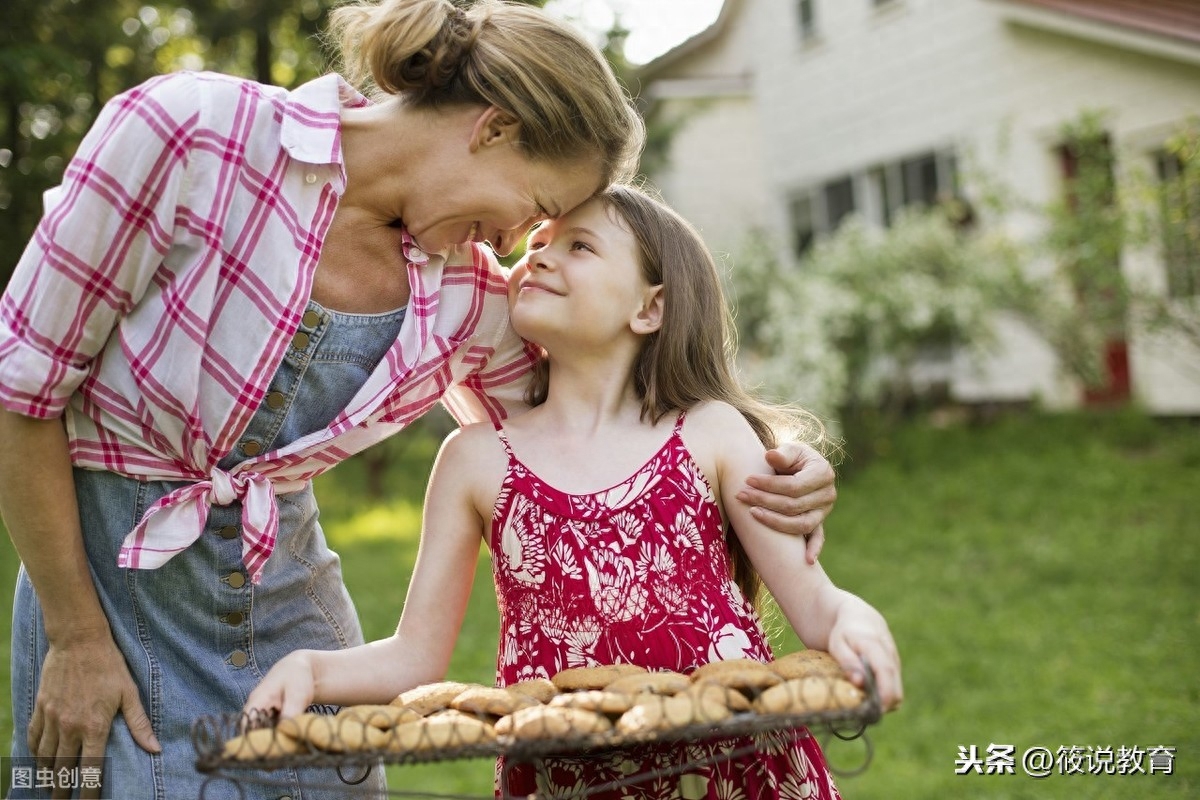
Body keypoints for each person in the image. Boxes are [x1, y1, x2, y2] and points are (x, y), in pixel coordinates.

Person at [0, 1, 838, 798]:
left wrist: (775, 473)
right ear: (494, 128)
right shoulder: (188, 136)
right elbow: (21, 392)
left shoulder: (474, 301)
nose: (517, 244)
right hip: (104, 598)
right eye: (536, 209)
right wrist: (76, 637)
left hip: (294, 621)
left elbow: (607, 446)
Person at [246, 185, 902, 799]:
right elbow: (415, 658)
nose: (539, 259)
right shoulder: (475, 461)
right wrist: (314, 669)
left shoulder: (710, 435)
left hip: (739, 771)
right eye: (535, 246)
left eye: (579, 246)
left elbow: (821, 608)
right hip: (572, 781)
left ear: (651, 306)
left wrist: (861, 630)